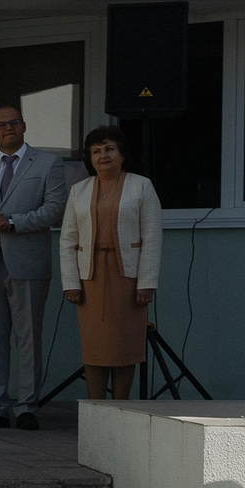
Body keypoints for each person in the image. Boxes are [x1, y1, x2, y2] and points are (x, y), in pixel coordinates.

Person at [0, 104, 70, 432]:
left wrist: (15, 222)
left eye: (13, 123)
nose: (7, 128)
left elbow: (55, 208)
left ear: (24, 126)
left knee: (27, 337)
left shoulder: (48, 163)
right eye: (0, 124)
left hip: (27, 261)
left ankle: (26, 407)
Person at [58, 126, 163, 401]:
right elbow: (67, 239)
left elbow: (152, 237)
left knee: (124, 346)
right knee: (95, 347)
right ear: (89, 159)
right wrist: (70, 282)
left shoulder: (141, 186)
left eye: (109, 149)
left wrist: (147, 282)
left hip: (127, 278)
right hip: (89, 278)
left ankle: (120, 408)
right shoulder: (79, 190)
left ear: (122, 154)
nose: (102, 155)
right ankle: (95, 409)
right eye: (95, 151)